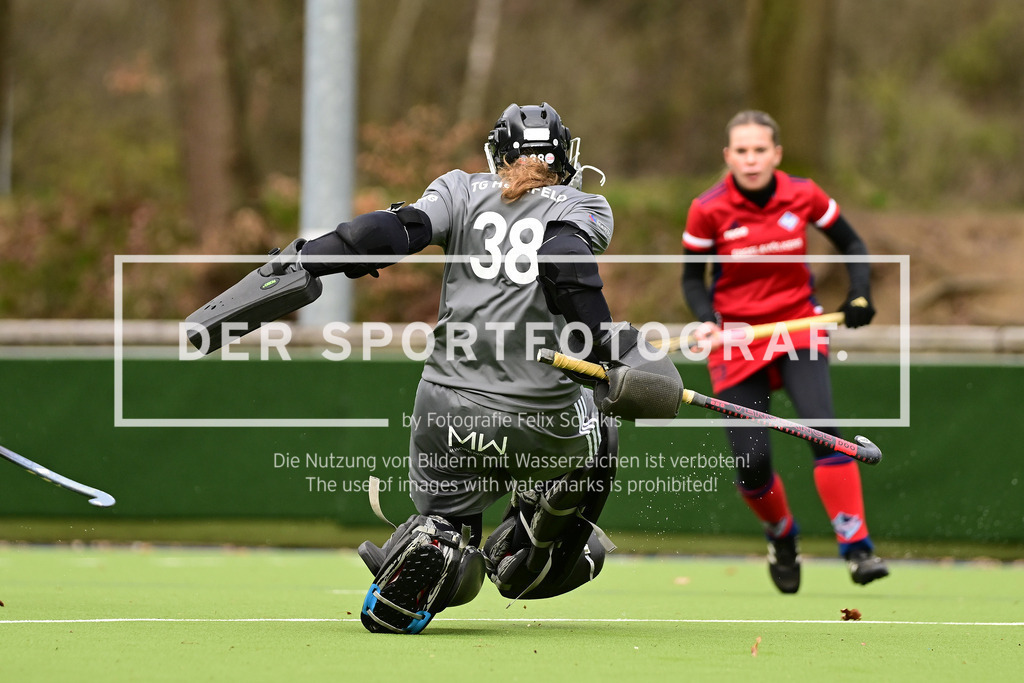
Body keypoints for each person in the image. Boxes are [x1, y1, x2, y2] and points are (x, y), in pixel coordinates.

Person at [187, 102, 684, 632]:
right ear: (564, 157)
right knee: (599, 421)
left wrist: (309, 259)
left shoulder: (458, 190)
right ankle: (537, 540)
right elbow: (563, 261)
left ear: (498, 154)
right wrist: (608, 348)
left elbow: (388, 233)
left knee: (450, 517)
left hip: (446, 412)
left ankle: (442, 541)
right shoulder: (585, 205)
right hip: (544, 421)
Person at [680, 110, 889, 594]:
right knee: (752, 463)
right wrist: (710, 323)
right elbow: (693, 279)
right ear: (728, 157)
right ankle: (781, 534)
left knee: (822, 431)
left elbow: (852, 243)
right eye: (741, 151)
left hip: (798, 329)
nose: (751, 160)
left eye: (760, 150)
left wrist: (859, 294)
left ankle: (857, 548)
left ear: (776, 154)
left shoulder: (804, 194)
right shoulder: (707, 208)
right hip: (736, 341)